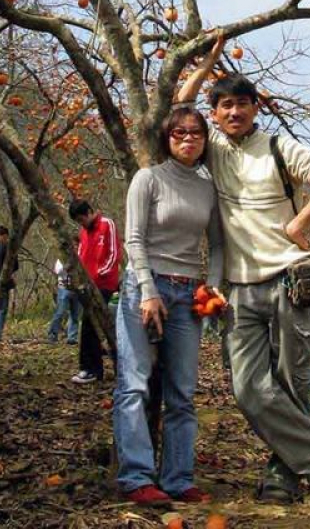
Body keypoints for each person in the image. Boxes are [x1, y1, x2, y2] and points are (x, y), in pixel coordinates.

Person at [178, 40, 310, 506]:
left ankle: (285, 473)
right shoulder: (210, 145)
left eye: (242, 103)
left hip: (288, 279)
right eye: (225, 105)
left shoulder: (278, 147)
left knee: (293, 382)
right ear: (214, 114)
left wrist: (299, 224)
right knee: (249, 388)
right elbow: (178, 108)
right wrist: (209, 65)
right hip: (238, 287)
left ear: (257, 107)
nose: (233, 112)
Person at [113, 104, 223, 507]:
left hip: (187, 293)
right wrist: (147, 290)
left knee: (183, 391)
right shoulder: (149, 179)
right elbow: (134, 239)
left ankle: (178, 478)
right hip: (146, 287)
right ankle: (136, 477)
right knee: (135, 383)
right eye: (179, 133)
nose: (189, 139)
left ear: (205, 140)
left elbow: (218, 244)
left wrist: (210, 287)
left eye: (196, 133)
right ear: (166, 138)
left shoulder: (208, 186)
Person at [69, 199, 121, 384]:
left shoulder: (107, 225)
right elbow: (82, 256)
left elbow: (114, 254)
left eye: (82, 218)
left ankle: (91, 369)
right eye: (78, 221)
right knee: (91, 323)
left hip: (105, 283)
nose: (81, 223)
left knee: (91, 323)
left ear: (89, 212)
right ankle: (91, 367)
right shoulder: (83, 233)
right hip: (87, 284)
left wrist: (99, 274)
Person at [47, 257, 81, 345]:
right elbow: (58, 272)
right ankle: (52, 335)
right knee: (60, 312)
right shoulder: (62, 256)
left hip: (77, 289)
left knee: (75, 315)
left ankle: (72, 338)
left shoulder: (81, 255)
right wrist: (68, 266)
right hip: (64, 289)